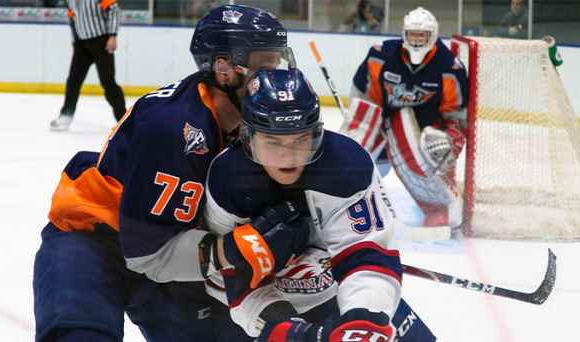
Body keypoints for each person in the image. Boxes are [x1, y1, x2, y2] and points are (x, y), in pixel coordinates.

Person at [33, 6, 303, 342]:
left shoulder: (258, 121)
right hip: (93, 239)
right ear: (222, 69)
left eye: (277, 62)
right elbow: (147, 250)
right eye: (263, 66)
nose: (274, 77)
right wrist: (232, 250)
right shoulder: (175, 127)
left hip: (173, 249)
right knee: (80, 336)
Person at [203, 68, 437, 342]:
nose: (287, 157)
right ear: (248, 137)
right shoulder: (227, 178)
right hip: (266, 312)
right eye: (272, 142)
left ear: (317, 133)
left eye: (300, 140)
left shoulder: (347, 166)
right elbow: (232, 275)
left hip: (339, 291)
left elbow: (368, 257)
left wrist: (364, 321)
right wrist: (290, 332)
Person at [340, 7, 469, 236]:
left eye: (422, 36)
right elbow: (363, 100)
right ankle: (340, 200)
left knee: (426, 151)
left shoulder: (449, 67)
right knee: (351, 154)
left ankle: (439, 207)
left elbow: (456, 116)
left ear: (433, 36)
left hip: (426, 130)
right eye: (412, 35)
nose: (417, 41)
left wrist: (451, 144)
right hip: (383, 119)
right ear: (404, 34)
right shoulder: (381, 56)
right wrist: (357, 134)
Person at [49, 0, 126, 131]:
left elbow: (113, 10)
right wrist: (74, 42)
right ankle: (66, 114)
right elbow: (72, 17)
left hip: (101, 41)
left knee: (107, 81)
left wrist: (113, 35)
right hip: (81, 43)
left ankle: (123, 120)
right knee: (74, 80)